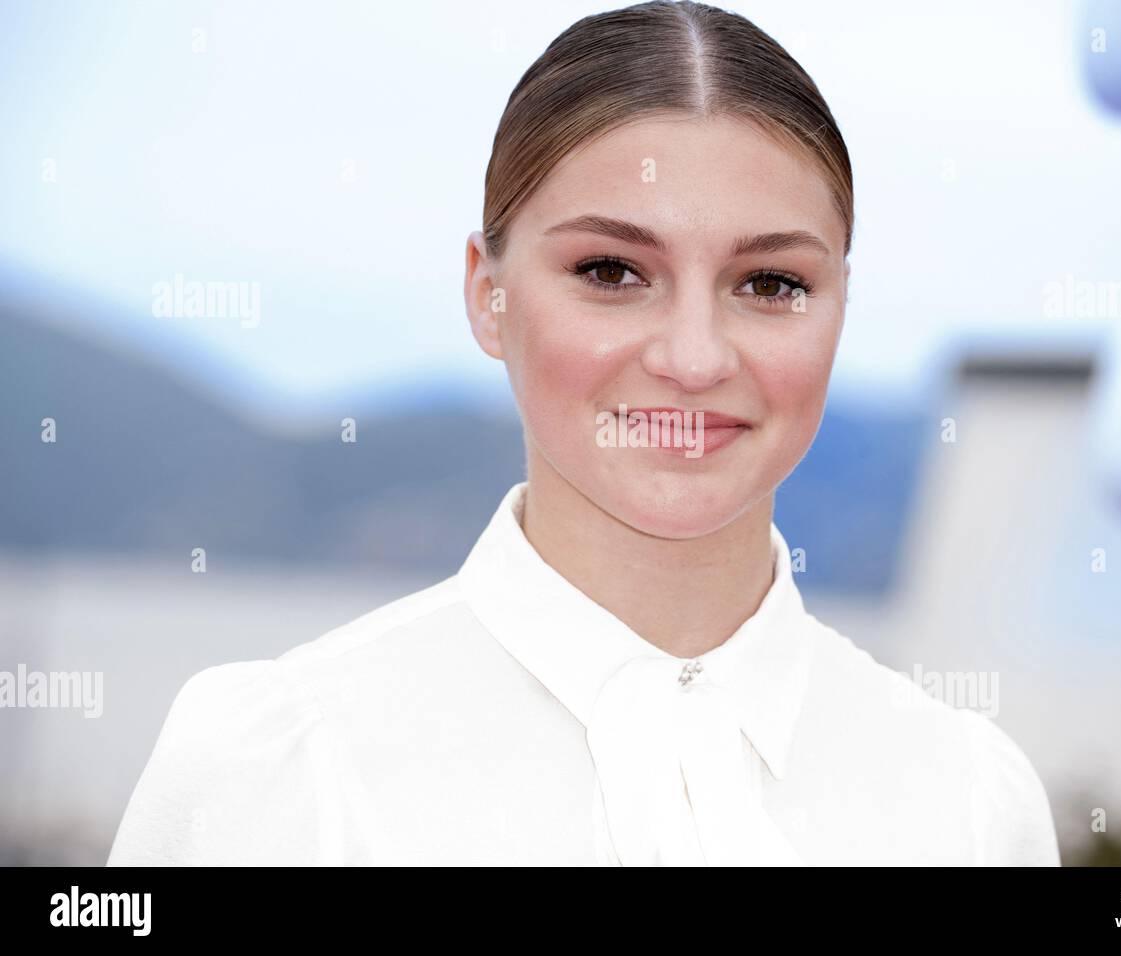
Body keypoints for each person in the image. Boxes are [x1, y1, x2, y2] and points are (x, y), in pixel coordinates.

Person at [107, 0, 1059, 866]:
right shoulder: (277, 764)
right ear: (488, 293)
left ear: (841, 307)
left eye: (771, 284)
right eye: (611, 270)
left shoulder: (971, 799)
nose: (695, 358)